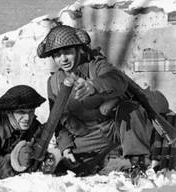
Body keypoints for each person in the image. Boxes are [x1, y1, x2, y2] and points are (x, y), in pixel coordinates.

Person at [37, 25, 155, 177]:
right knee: (66, 170)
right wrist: (65, 147)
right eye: (57, 55)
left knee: (131, 109)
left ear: (78, 50)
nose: (63, 59)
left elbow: (117, 80)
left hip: (117, 126)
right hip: (89, 136)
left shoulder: (96, 66)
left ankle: (138, 162)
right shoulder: (53, 83)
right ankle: (98, 163)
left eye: (67, 52)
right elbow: (58, 120)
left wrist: (93, 85)